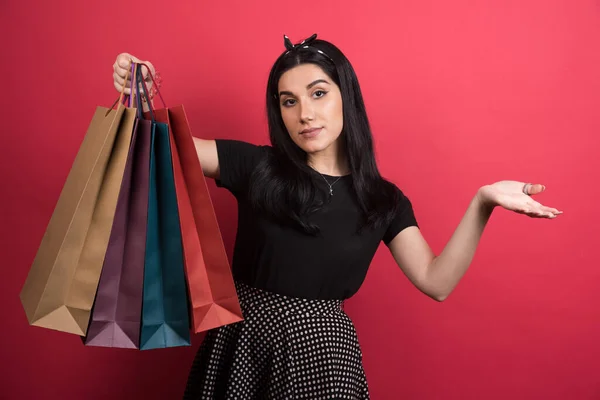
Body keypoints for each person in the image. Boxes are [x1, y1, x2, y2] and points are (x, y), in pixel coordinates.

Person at [112, 34, 562, 400]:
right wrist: (139, 98)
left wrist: (482, 202)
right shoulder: (256, 166)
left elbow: (436, 282)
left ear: (346, 97)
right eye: (288, 101)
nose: (305, 113)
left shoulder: (384, 201)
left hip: (325, 358)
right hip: (243, 346)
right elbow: (157, 151)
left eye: (319, 93)